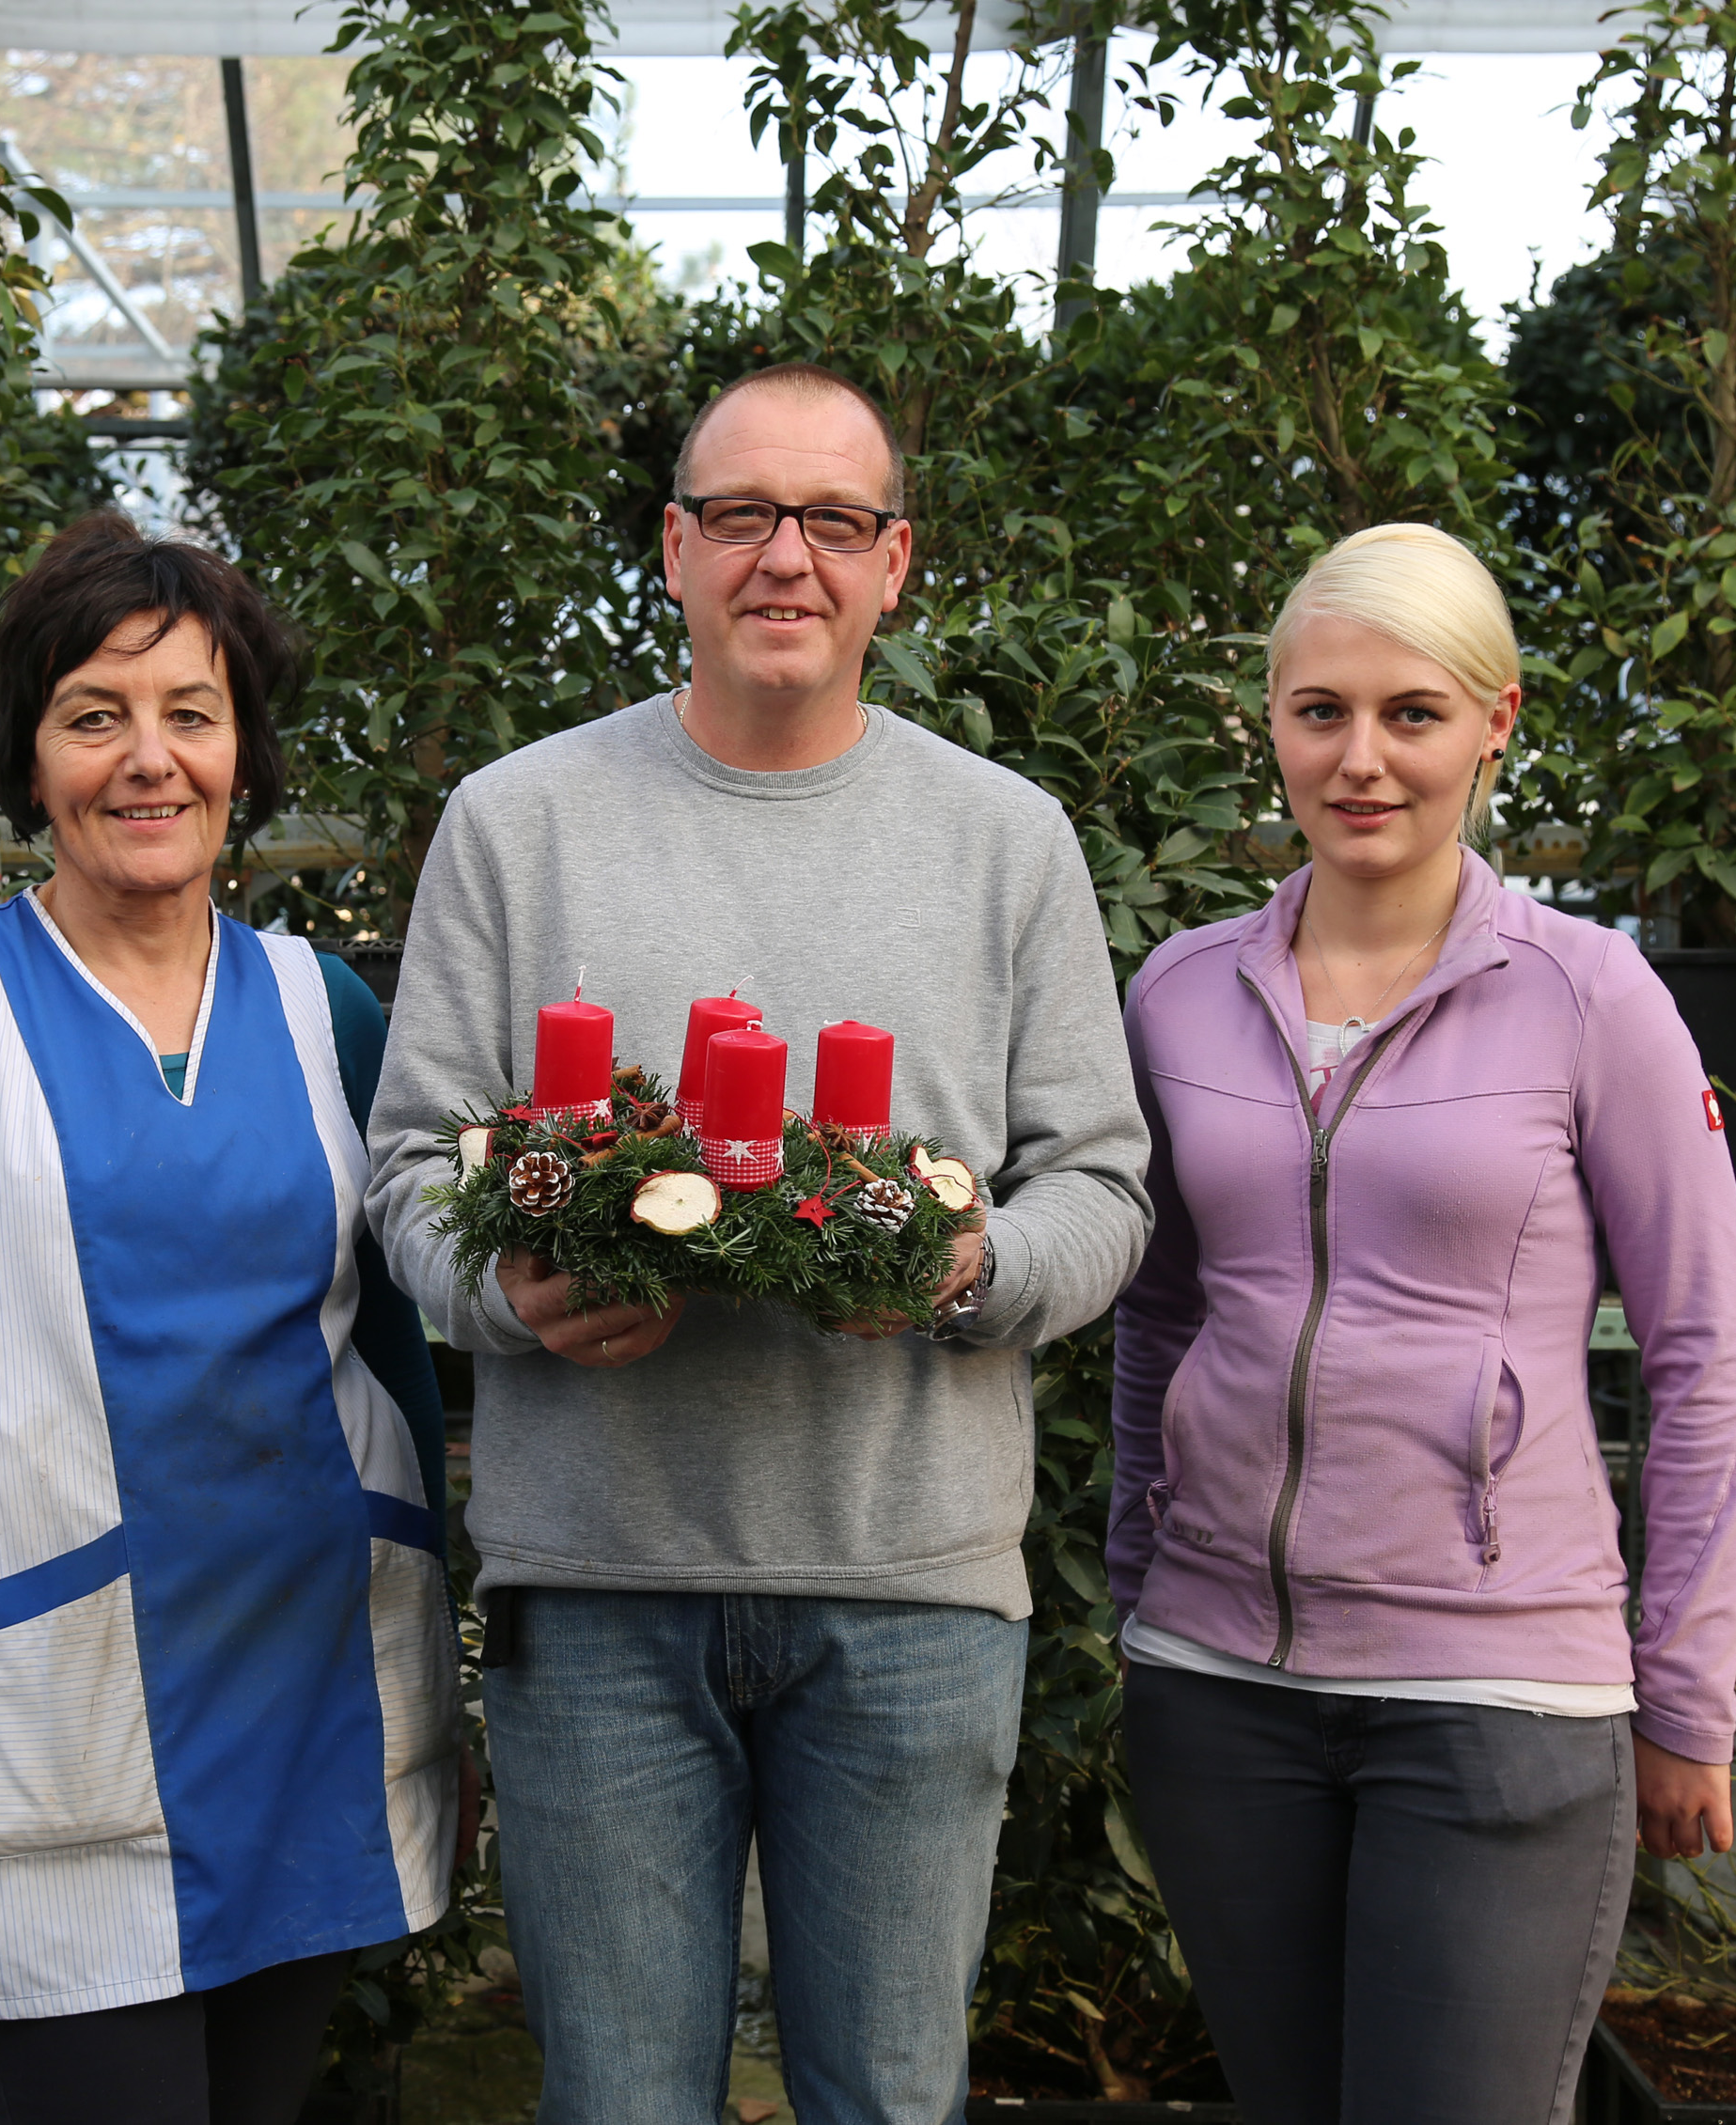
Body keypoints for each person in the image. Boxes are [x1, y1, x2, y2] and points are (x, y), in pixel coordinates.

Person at [363, 362, 1154, 2125]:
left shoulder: (1006, 842)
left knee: (888, 2094)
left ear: (895, 563)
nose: (785, 556)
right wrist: (509, 1288)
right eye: (741, 514)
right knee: (618, 2098)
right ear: (673, 547)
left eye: (835, 520)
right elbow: (409, 1165)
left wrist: (966, 1273)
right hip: (597, 1587)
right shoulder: (519, 822)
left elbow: (1101, 1188)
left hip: (912, 1590)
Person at [0, 512, 456, 2125]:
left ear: (244, 756)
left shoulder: (327, 1010)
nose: (149, 759)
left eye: (191, 714)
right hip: (44, 1714)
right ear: (31, 761)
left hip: (306, 1701)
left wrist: (435, 1689)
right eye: (95, 714)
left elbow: (393, 1362)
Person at [1110, 523, 1736, 2125]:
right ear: (1270, 723)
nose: (1362, 758)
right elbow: (1158, 1312)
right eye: (1319, 710)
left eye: (1412, 712)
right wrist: (1141, 1572)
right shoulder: (1179, 993)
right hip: (1219, 1687)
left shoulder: (1590, 996)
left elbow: (1705, 1354)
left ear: (1495, 723)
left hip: (1500, 1703)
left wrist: (1686, 1693)